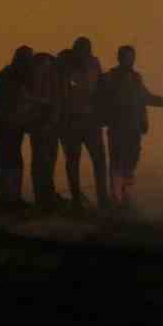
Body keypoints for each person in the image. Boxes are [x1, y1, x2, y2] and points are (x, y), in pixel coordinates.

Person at [96, 45, 163, 211]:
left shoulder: (135, 78)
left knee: (130, 162)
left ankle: (125, 196)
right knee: (117, 162)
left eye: (132, 57)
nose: (130, 60)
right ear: (120, 58)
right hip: (118, 128)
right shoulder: (110, 78)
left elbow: (146, 98)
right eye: (127, 57)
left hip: (133, 128)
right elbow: (101, 100)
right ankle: (117, 198)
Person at [57, 36, 109, 211]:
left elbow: (100, 87)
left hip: (89, 119)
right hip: (72, 119)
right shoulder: (65, 64)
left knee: (98, 161)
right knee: (74, 161)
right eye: (83, 49)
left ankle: (102, 199)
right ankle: (78, 200)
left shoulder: (93, 63)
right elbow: (63, 92)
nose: (85, 53)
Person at [0, 45, 34, 211]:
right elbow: (11, 100)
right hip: (5, 125)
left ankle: (12, 198)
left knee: (13, 161)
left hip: (13, 125)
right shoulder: (8, 76)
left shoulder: (12, 75)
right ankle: (7, 199)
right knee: (8, 161)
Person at [24, 51, 64, 209]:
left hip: (48, 126)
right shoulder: (35, 81)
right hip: (41, 126)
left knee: (47, 161)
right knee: (42, 162)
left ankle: (46, 196)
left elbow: (54, 101)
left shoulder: (50, 79)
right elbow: (35, 102)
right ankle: (43, 198)